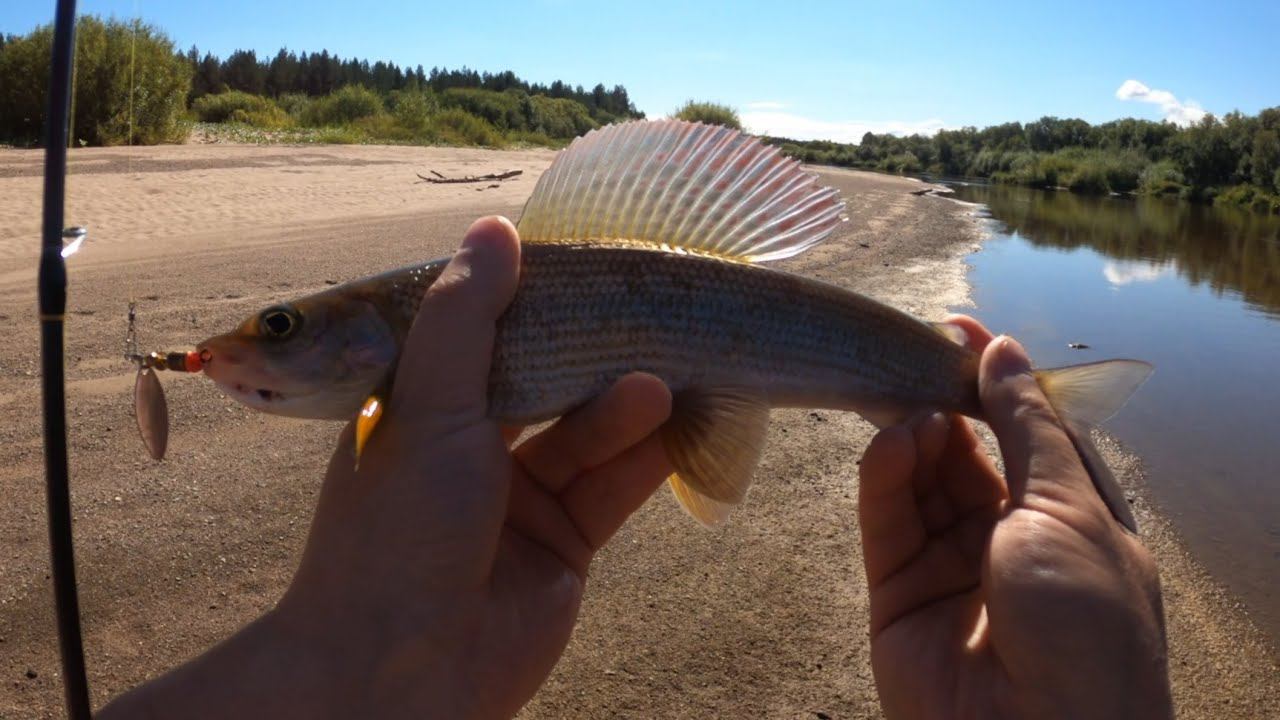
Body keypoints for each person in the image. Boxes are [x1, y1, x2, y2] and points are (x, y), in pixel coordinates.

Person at [100, 217, 1173, 719]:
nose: (243, 352)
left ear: (377, 326)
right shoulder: (390, 415)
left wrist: (358, 663)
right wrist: (372, 658)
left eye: (279, 328)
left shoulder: (403, 371)